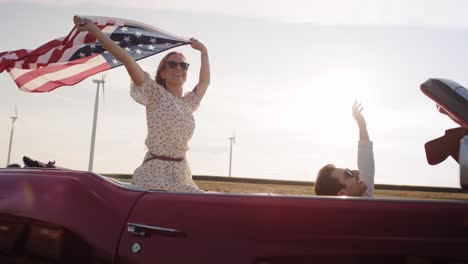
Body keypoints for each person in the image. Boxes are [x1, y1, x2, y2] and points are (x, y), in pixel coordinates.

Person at [73, 16, 210, 192]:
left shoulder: (188, 103)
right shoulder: (154, 93)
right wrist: (94, 30)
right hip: (156, 174)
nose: (179, 68)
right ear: (163, 73)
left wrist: (203, 51)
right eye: (173, 64)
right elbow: (127, 59)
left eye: (184, 65)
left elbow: (204, 82)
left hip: (181, 173)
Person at [314, 101, 375, 197]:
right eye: (348, 174)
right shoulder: (364, 201)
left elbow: (366, 163)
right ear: (342, 193)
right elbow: (366, 167)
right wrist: (361, 126)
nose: (357, 172)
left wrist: (362, 126)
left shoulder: (363, 197)